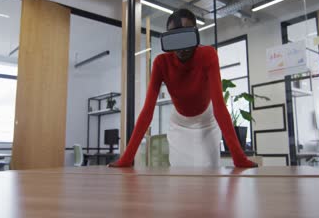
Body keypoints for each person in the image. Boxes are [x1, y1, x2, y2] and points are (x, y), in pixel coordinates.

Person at [109, 9, 257, 168]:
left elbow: (219, 107)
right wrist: (127, 159)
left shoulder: (208, 55)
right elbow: (147, 112)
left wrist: (239, 158)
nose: (182, 48)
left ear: (195, 35)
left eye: (186, 38)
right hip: (180, 124)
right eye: (176, 40)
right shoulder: (161, 63)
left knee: (210, 174)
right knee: (180, 178)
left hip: (207, 122)